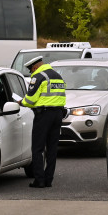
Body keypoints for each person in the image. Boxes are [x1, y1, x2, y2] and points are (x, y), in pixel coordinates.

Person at [20, 56, 66, 188]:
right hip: (58, 114)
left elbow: (30, 100)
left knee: (38, 148)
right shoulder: (58, 76)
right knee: (52, 149)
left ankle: (39, 180)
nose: (32, 73)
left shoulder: (39, 77)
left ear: (35, 67)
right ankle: (48, 180)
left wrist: (20, 102)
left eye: (31, 70)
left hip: (43, 115)